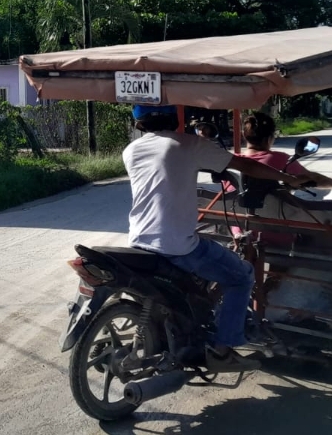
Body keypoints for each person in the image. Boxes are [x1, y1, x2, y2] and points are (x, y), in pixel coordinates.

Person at [122, 104, 307, 373]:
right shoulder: (189, 144)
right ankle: (223, 350)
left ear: (139, 123)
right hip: (178, 246)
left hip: (139, 240)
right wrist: (286, 178)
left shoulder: (131, 150)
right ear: (174, 116)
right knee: (241, 275)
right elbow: (244, 164)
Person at [238, 112, 332, 190]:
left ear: (244, 135)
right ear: (270, 138)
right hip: (273, 223)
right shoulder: (280, 159)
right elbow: (313, 177)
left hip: (237, 224)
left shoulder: (233, 161)